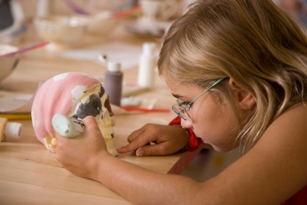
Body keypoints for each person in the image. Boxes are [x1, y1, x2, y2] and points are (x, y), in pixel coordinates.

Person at [55, 0, 307, 204]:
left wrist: (97, 164)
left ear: (242, 93)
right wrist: (186, 135)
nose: (183, 120)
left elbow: (206, 201)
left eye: (186, 104)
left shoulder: (301, 122)